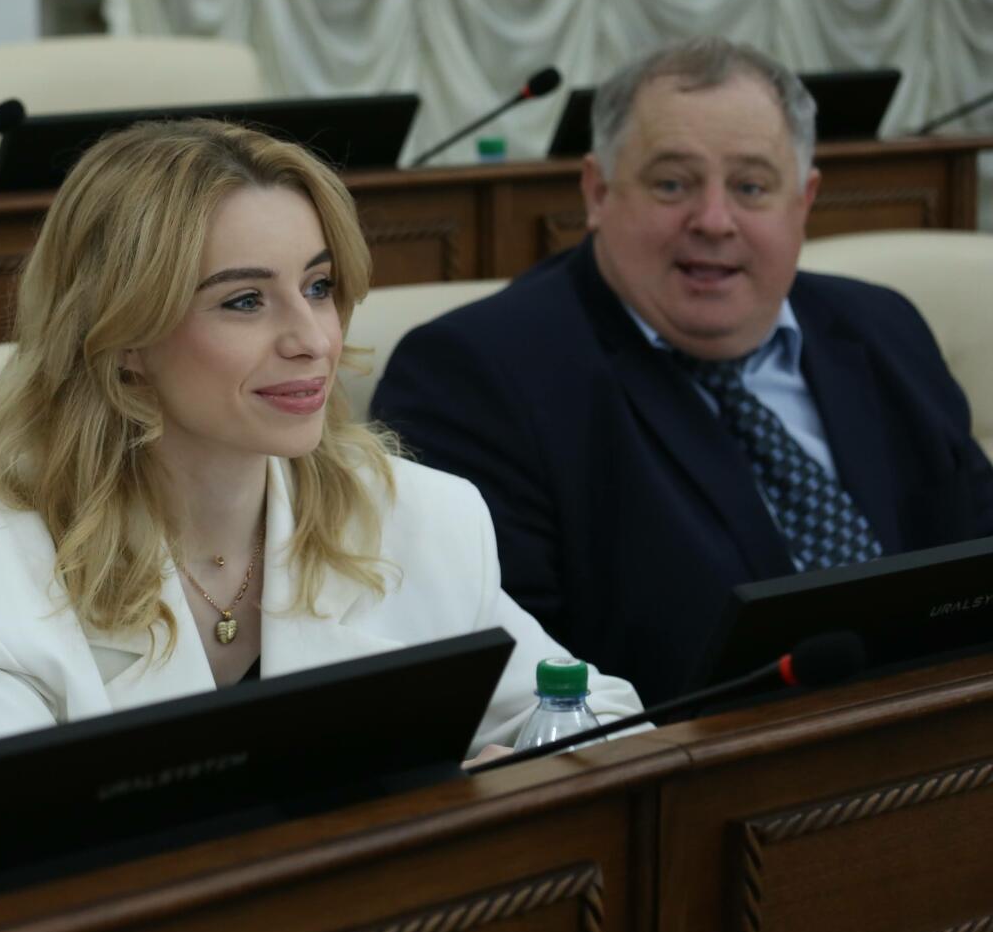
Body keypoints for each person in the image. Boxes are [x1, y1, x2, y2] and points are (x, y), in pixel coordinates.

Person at [0, 119, 641, 754]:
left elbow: (599, 718)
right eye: (245, 300)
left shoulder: (416, 518)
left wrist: (510, 782)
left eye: (318, 287)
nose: (312, 340)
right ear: (123, 337)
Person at [370, 38, 993, 703]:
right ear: (597, 192)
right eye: (672, 184)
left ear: (803, 200)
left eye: (751, 187)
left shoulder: (882, 329)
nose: (714, 221)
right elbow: (514, 694)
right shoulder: (472, 376)